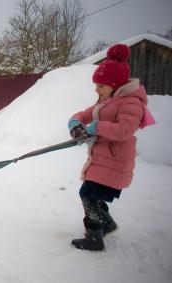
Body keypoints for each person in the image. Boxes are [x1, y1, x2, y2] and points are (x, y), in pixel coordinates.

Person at [67, 44, 155, 251]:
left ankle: (94, 237)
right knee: (91, 194)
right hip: (101, 160)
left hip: (115, 162)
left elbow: (124, 130)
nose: (96, 90)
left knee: (88, 195)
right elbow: (85, 114)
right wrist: (75, 122)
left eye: (100, 86)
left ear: (115, 85)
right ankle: (107, 223)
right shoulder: (107, 101)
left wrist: (95, 127)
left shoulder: (131, 103)